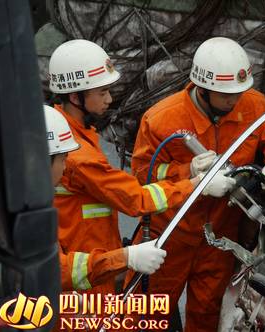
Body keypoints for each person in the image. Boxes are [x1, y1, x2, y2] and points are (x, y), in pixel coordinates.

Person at [129, 36, 265, 331]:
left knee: (208, 315)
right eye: (226, 95)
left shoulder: (253, 105)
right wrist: (189, 172)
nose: (235, 100)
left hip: (220, 236)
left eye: (239, 92)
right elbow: (142, 174)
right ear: (203, 90)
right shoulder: (162, 119)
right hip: (171, 234)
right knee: (149, 315)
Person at [48, 39, 226, 296]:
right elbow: (136, 199)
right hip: (86, 274)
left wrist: (188, 171)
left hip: (89, 261)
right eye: (102, 92)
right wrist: (198, 186)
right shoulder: (79, 156)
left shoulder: (67, 131)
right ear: (75, 96)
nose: (110, 98)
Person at [44, 104, 167, 291]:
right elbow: (56, 270)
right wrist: (126, 257)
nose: (64, 168)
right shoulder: (19, 215)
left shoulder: (23, 202)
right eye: (62, 160)